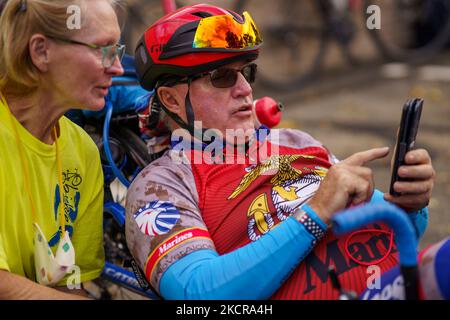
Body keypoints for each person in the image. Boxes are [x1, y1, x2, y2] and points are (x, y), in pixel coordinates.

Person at [125, 4, 445, 300]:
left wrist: (411, 206)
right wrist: (315, 214)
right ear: (170, 99)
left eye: (246, 72)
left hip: (405, 279)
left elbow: (395, 234)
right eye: (221, 77)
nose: (245, 89)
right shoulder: (161, 184)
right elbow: (198, 295)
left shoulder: (295, 140)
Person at [0, 0, 124, 299]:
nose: (118, 67)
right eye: (103, 48)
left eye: (117, 50)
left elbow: (70, 284)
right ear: (41, 51)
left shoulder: (82, 151)